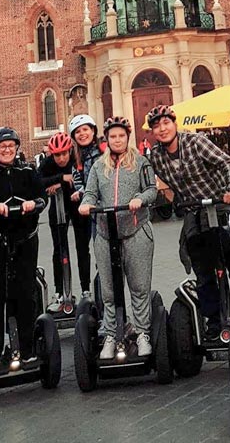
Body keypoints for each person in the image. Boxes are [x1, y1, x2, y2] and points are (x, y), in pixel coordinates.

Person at [146, 104, 230, 341]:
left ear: (174, 123)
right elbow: (164, 182)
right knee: (203, 269)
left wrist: (228, 190)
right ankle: (213, 321)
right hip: (194, 211)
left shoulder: (195, 142)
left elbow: (226, 162)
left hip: (220, 204)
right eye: (156, 126)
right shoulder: (157, 156)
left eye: (166, 123)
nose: (162, 129)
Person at [78, 117, 157, 359]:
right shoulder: (98, 167)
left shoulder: (141, 162)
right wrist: (87, 203)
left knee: (139, 287)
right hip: (105, 233)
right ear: (107, 140)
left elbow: (152, 189)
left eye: (121, 136)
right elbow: (90, 192)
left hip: (135, 231)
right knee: (110, 291)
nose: (117, 140)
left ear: (127, 137)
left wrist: (140, 199)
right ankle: (112, 334)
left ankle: (142, 333)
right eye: (113, 136)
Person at [0, 127, 47, 368]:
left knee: (25, 293)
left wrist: (33, 204)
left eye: (11, 146)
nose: (7, 150)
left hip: (24, 238)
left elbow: (42, 198)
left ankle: (27, 349)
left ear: (17, 148)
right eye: (2, 147)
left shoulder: (28, 171)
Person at [37, 131, 81, 309]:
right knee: (59, 249)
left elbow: (79, 182)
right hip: (57, 207)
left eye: (64, 154)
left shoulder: (76, 160)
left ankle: (84, 289)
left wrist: (58, 184)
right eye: (57, 155)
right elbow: (38, 182)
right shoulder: (47, 163)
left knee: (81, 246)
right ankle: (58, 291)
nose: (61, 158)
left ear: (70, 151)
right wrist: (61, 178)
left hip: (76, 204)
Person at [68, 114, 102, 293]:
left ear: (93, 131)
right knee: (92, 252)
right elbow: (82, 182)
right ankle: (90, 292)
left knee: (105, 257)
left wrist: (81, 192)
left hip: (105, 211)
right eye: (78, 132)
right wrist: (80, 191)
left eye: (85, 130)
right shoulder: (76, 159)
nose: (82, 134)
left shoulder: (104, 152)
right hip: (92, 212)